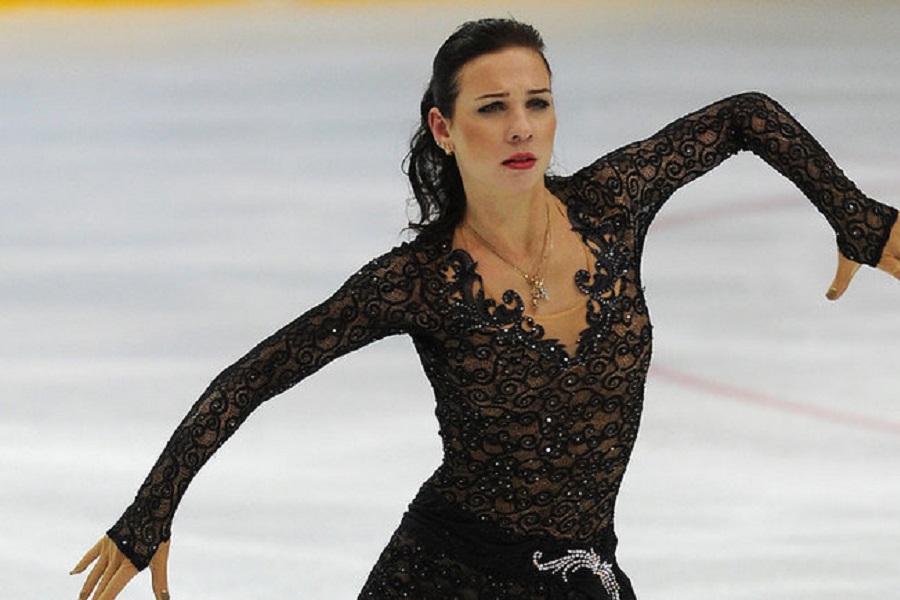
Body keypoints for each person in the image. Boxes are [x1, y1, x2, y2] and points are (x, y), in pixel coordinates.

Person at [71, 17, 899, 600]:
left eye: (537, 101)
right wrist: (150, 513)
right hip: (444, 575)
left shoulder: (610, 207)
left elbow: (745, 116)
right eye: (492, 107)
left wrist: (858, 218)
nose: (521, 128)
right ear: (443, 127)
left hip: (584, 574)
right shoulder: (419, 281)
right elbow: (257, 373)